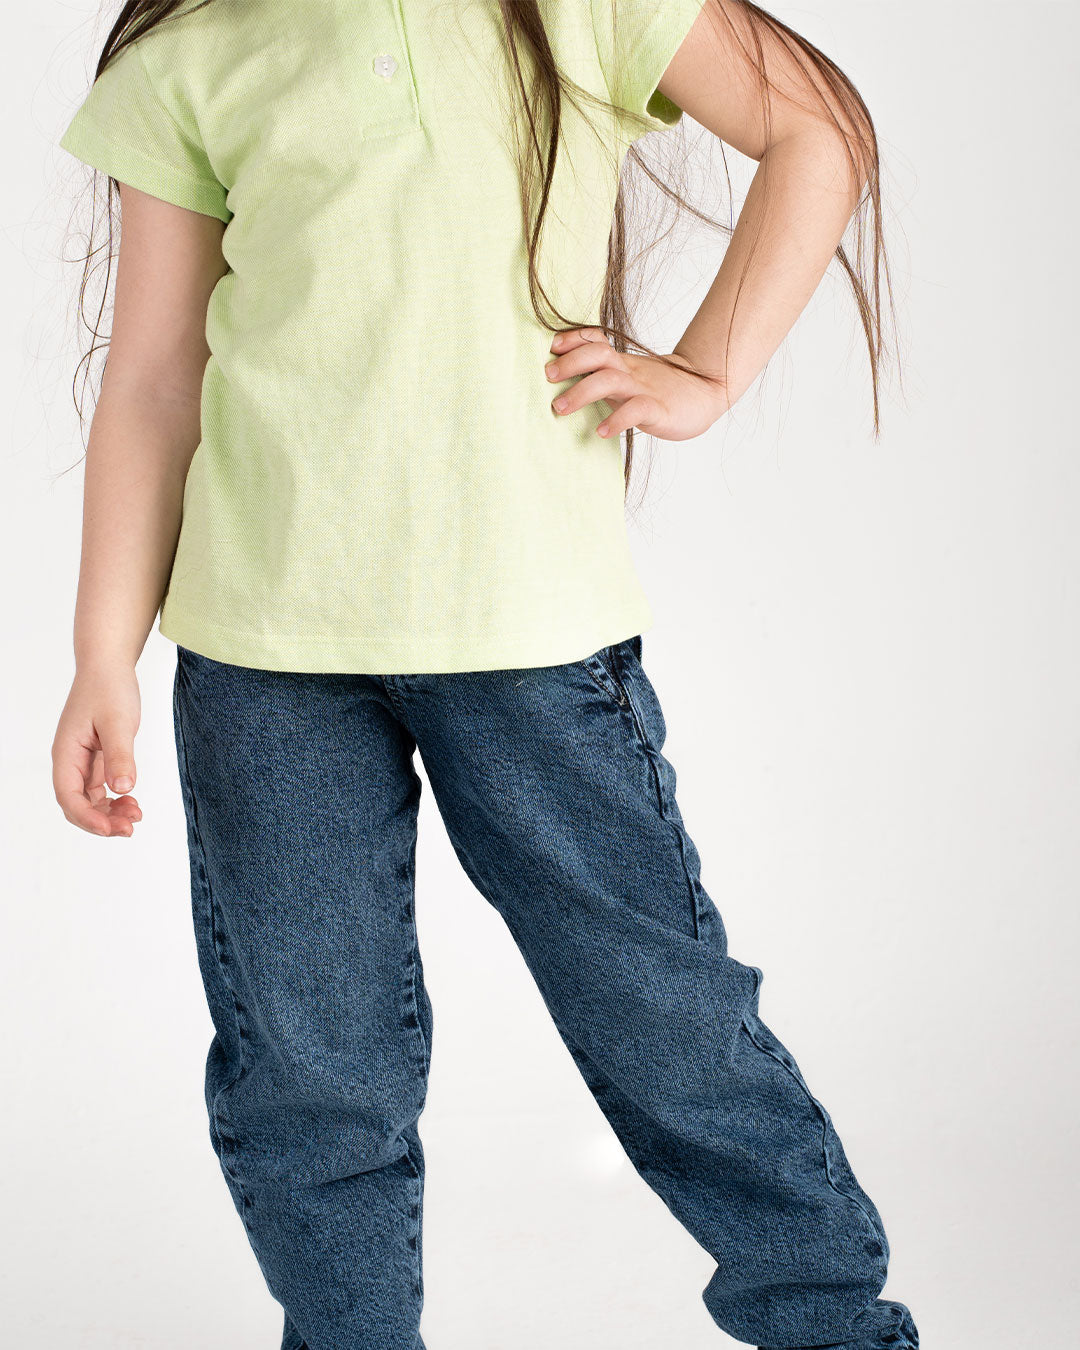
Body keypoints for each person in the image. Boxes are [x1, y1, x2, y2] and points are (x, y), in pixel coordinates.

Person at [50, 1, 918, 1347]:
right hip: (263, 660)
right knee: (309, 1077)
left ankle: (833, 1326)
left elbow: (819, 127)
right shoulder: (197, 47)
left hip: (533, 641)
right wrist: (101, 652)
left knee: (665, 1020)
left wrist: (707, 369)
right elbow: (158, 376)